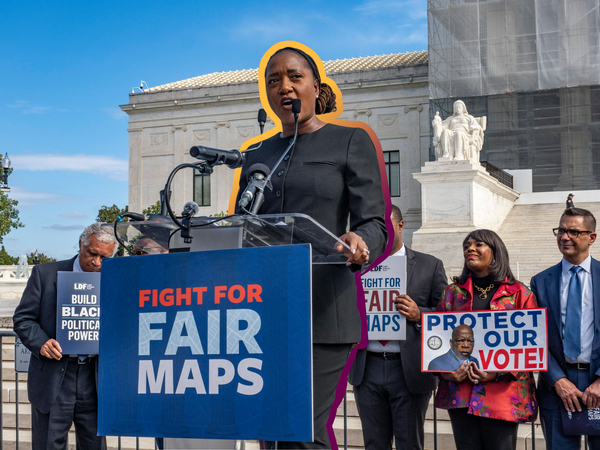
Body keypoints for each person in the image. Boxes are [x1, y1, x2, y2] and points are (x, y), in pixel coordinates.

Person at [235, 44, 388, 449]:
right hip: (263, 312)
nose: (283, 86)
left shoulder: (349, 141)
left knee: (297, 424)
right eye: (273, 80)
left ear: (314, 87)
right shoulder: (256, 154)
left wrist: (362, 242)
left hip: (324, 312)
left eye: (294, 77)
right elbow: (241, 226)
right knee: (280, 429)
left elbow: (376, 221)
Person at [349, 205, 446, 450]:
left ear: (401, 226)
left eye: (386, 227)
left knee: (409, 444)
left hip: (408, 370)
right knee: (374, 444)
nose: (380, 234)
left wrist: (419, 314)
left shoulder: (430, 266)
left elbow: (447, 318)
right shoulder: (355, 269)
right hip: (367, 367)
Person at [13, 223, 117, 450]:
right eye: (92, 253)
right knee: (49, 445)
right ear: (81, 245)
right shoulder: (45, 274)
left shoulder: (115, 280)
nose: (97, 262)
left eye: (104, 257)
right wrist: (41, 343)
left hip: (96, 378)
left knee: (94, 446)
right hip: (54, 376)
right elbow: (22, 319)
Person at [435, 229, 538, 450]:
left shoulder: (520, 294)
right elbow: (436, 341)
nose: (470, 248)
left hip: (503, 395)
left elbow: (530, 346)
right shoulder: (452, 293)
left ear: (496, 251)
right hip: (460, 393)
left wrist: (497, 372)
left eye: (478, 244)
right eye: (466, 245)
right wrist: (445, 371)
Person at [531, 207, 599, 449]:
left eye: (573, 231)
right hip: (556, 387)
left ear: (591, 237)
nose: (564, 237)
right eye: (561, 230)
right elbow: (534, 336)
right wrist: (557, 379)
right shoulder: (540, 281)